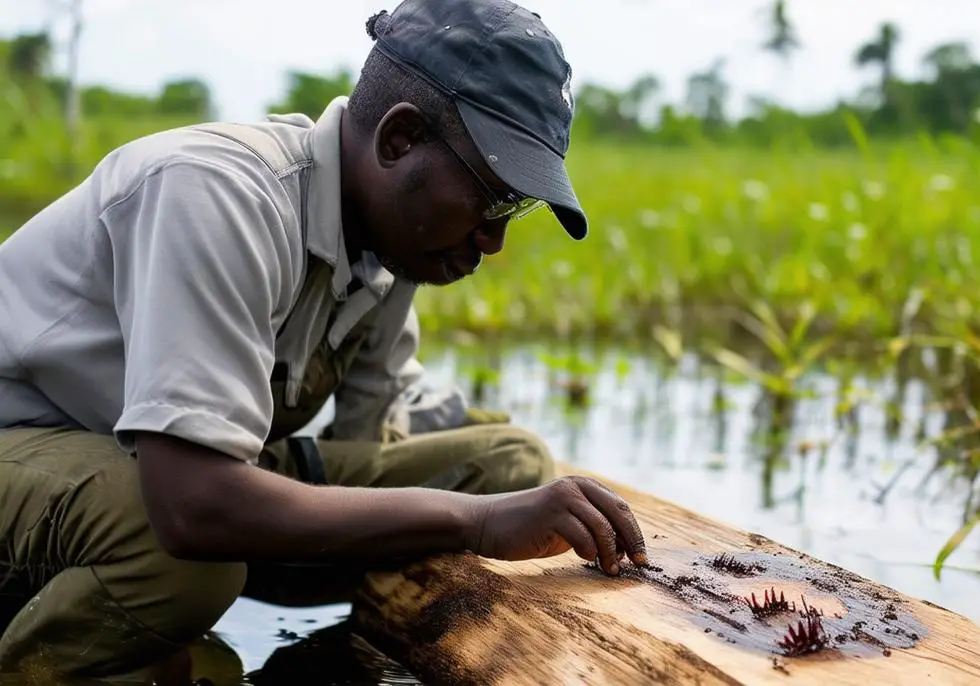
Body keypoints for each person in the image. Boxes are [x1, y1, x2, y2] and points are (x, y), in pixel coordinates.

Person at [0, 0, 649, 682]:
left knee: (508, 464)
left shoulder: (392, 242)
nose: (495, 241)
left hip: (152, 469)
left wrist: (504, 495)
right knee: (179, 560)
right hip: (39, 453)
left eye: (515, 210)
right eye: (491, 200)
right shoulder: (218, 195)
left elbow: (382, 425)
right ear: (399, 140)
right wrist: (478, 523)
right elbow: (192, 506)